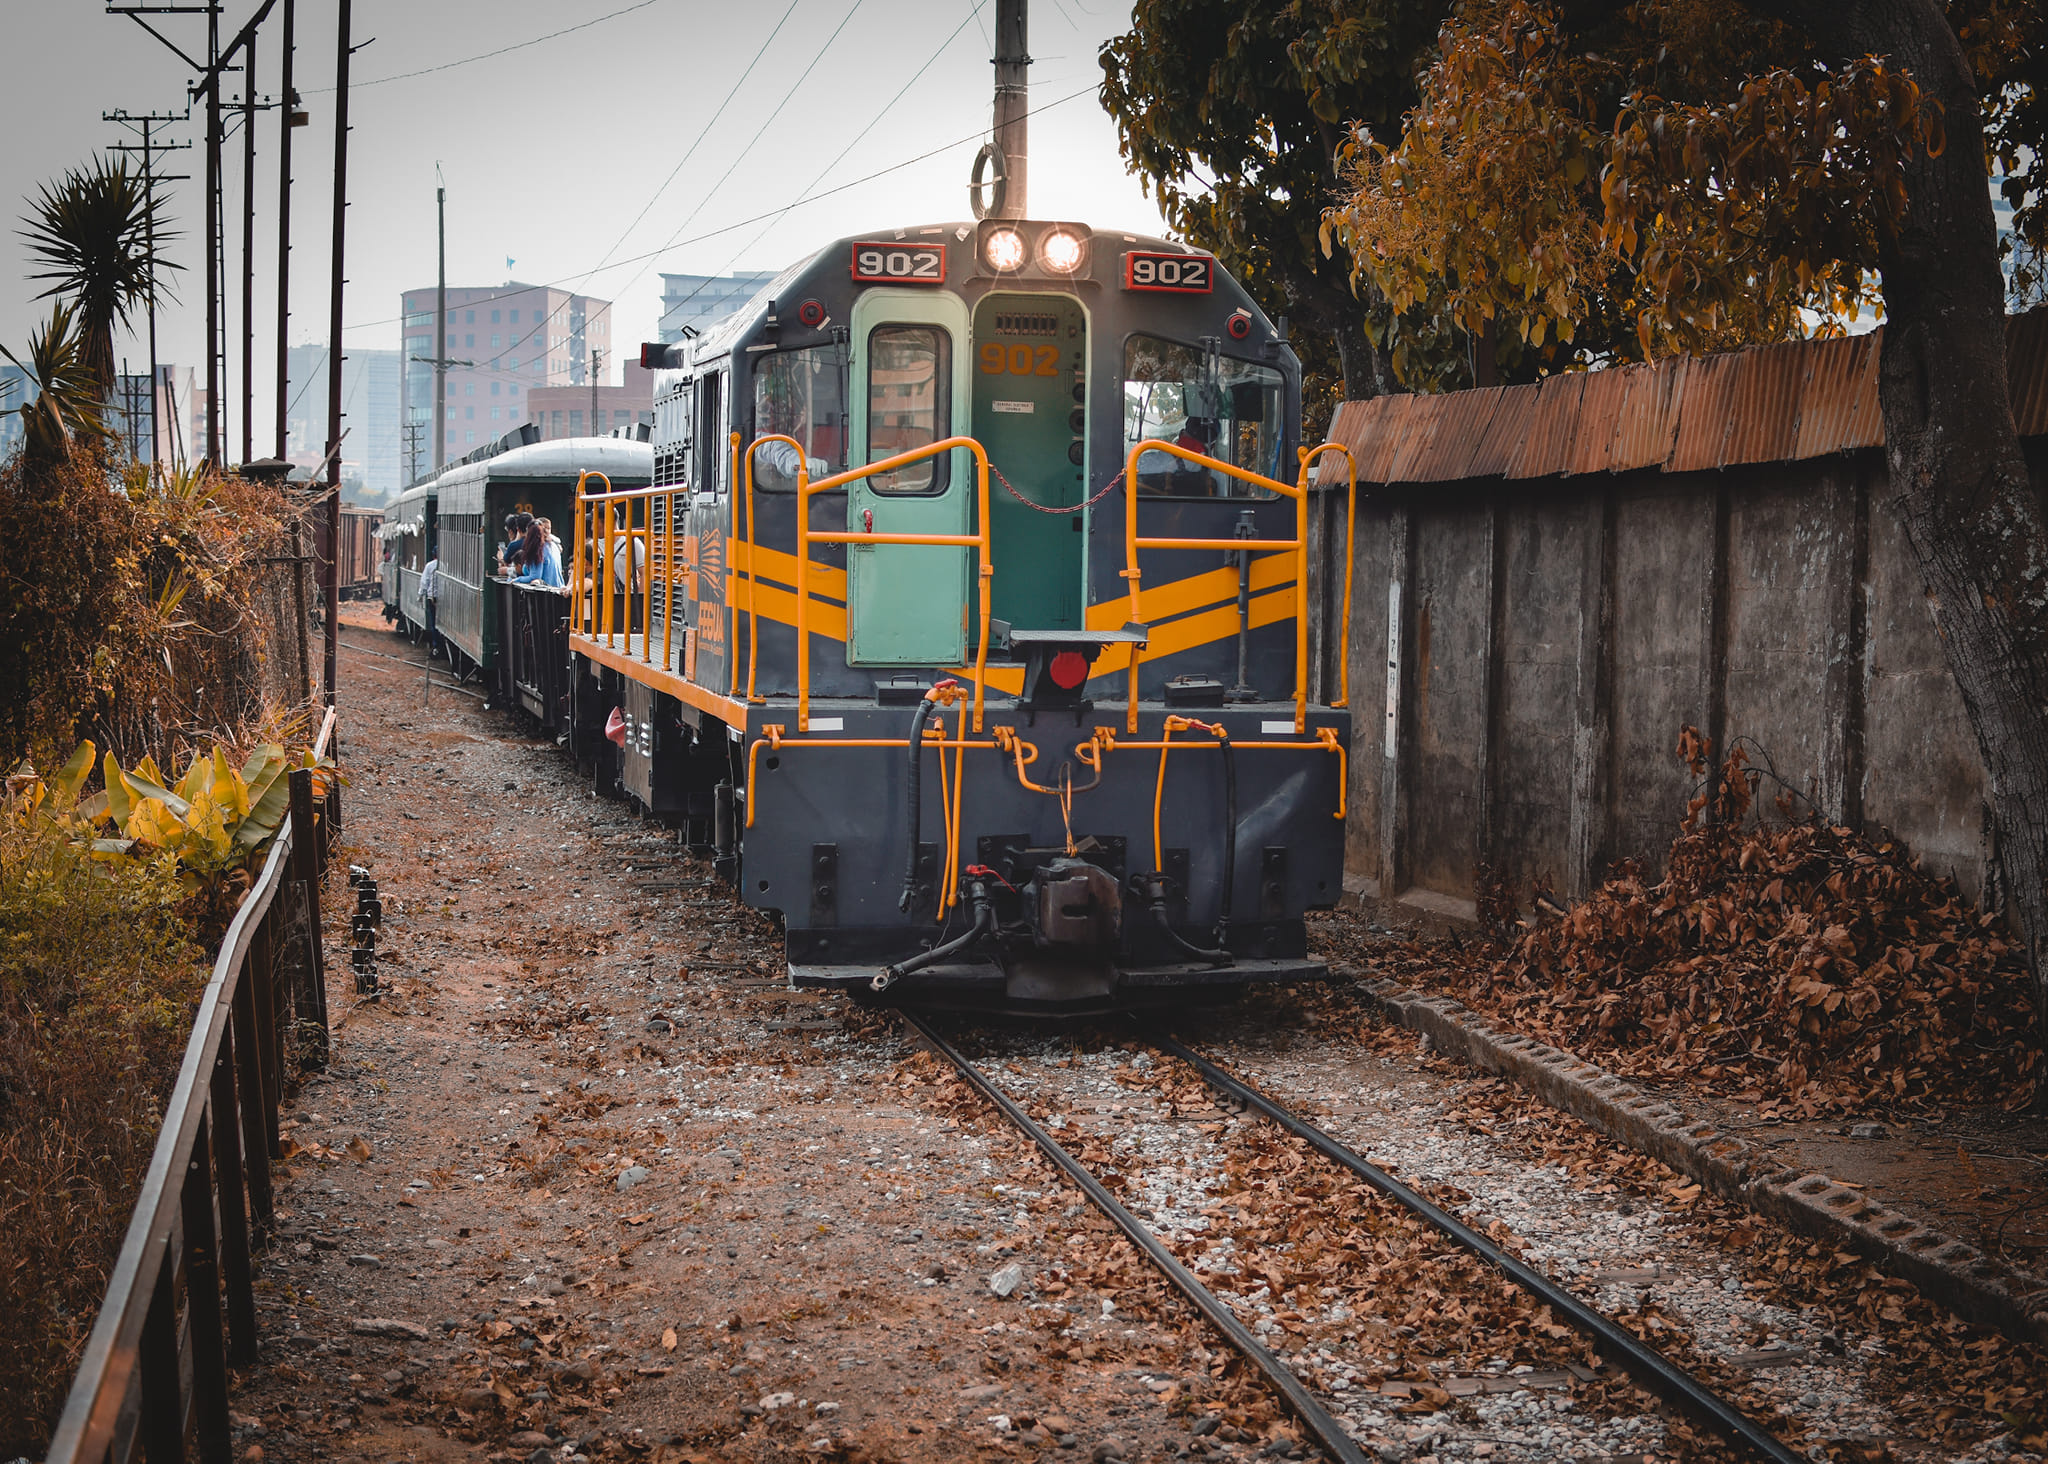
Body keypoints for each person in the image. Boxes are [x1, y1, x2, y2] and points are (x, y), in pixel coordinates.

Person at [515, 519, 563, 588]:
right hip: (559, 589)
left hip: (546, 594)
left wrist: (517, 580)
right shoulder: (554, 546)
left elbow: (535, 576)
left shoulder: (537, 550)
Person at [419, 552, 443, 658]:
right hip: (444, 597)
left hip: (432, 597)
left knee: (434, 622)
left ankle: (436, 645)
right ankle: (440, 644)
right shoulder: (445, 565)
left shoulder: (429, 565)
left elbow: (425, 581)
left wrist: (420, 594)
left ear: (433, 555)